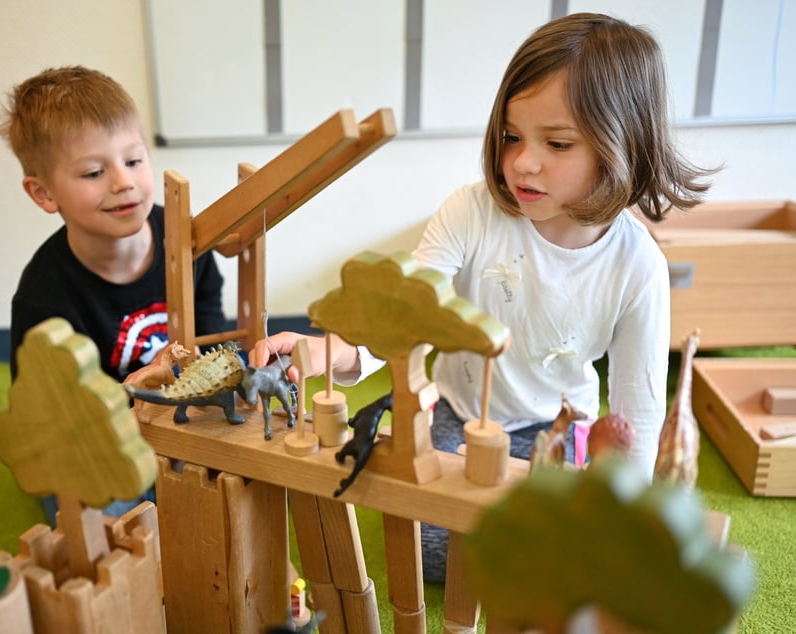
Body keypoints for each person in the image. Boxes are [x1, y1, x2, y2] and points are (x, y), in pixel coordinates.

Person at [250, 12, 715, 583]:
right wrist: (336, 352)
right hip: (463, 411)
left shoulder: (638, 265)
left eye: (558, 142)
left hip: (559, 425)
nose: (524, 161)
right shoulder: (471, 213)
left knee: (565, 549)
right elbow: (405, 310)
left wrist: (628, 512)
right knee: (431, 549)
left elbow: (636, 413)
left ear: (623, 147)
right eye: (512, 137)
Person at [0, 66, 226, 525]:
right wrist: (135, 391)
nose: (122, 182)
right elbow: (49, 408)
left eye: (134, 161)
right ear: (43, 193)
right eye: (94, 172)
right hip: (104, 434)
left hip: (181, 416)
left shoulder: (186, 239)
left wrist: (200, 370)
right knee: (99, 517)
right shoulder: (44, 298)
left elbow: (213, 321)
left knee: (235, 484)